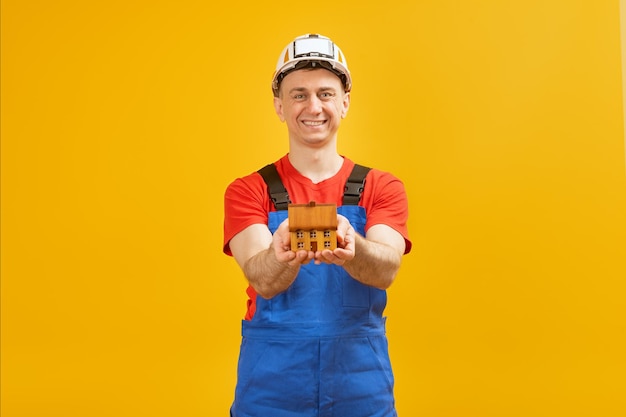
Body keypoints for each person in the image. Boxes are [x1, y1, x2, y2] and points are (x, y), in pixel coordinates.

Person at [223, 33, 412, 417]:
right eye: (298, 94)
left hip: (361, 383)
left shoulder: (381, 186)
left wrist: (352, 247)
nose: (314, 106)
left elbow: (386, 270)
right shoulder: (248, 190)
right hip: (271, 385)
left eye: (326, 94)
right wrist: (281, 256)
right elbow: (263, 279)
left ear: (344, 103)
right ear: (279, 106)